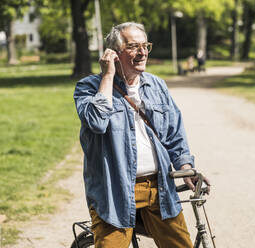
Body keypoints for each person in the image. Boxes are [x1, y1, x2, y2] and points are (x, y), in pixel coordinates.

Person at [73, 22, 210, 248]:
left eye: (145, 46)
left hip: (160, 188)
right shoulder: (88, 87)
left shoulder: (157, 85)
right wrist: (108, 76)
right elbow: (97, 122)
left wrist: (185, 167)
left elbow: (174, 134)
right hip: (114, 191)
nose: (143, 52)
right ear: (114, 53)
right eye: (134, 46)